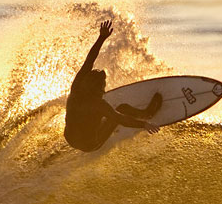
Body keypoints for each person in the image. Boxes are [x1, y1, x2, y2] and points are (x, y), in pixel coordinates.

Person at [64, 20, 162, 152]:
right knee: (122, 108)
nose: (104, 87)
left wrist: (101, 38)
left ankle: (98, 124)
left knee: (97, 116)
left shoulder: (76, 87)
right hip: (89, 144)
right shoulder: (98, 104)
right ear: (98, 88)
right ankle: (147, 114)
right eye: (103, 85)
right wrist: (144, 125)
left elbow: (89, 60)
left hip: (70, 138)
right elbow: (121, 118)